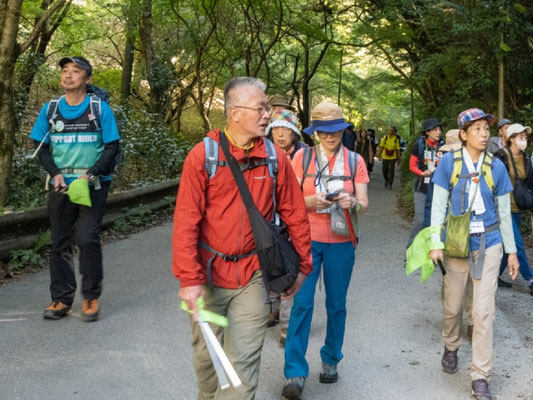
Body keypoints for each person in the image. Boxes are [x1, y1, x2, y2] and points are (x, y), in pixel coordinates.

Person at [173, 77, 312, 400]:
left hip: (253, 275)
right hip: (208, 276)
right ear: (235, 113)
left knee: (242, 369)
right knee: (208, 367)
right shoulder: (202, 156)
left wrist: (303, 265)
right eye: (262, 108)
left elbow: (295, 214)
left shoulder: (275, 158)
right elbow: (185, 222)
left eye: (269, 108)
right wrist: (189, 279)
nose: (269, 115)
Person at [429, 108, 519, 400]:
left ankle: (480, 375)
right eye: (477, 129)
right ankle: (451, 344)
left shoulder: (497, 167)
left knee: (483, 312)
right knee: (453, 306)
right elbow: (438, 205)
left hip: (489, 242)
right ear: (464, 135)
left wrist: (512, 252)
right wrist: (435, 242)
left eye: (486, 129)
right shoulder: (448, 163)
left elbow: (505, 214)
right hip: (455, 241)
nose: (483, 134)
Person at [281, 102, 369, 400]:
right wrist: (310, 202)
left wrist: (352, 202)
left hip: (342, 242)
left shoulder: (355, 160)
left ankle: (331, 359)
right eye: (324, 131)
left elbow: (364, 204)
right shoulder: (301, 158)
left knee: (336, 304)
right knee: (302, 303)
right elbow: (288, 200)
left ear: (343, 130)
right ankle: (295, 371)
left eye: (335, 131)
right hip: (305, 241)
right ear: (315, 132)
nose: (330, 137)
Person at [30, 56, 120, 322]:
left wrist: (90, 173)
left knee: (87, 238)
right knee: (59, 243)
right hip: (60, 187)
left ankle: (90, 297)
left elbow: (113, 147)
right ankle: (61, 299)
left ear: (87, 79)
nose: (68, 75)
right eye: (65, 71)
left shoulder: (99, 109)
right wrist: (55, 174)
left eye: (76, 71)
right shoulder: (51, 109)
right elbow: (40, 147)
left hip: (93, 185)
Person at [264, 108, 307, 345]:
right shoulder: (263, 153)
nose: (281, 135)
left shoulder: (304, 156)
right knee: (270, 267)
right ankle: (274, 309)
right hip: (269, 222)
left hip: (293, 223)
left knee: (290, 271)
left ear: (294, 134)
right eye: (276, 130)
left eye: (286, 131)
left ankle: (286, 328)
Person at [494, 123, 533, 295]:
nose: (524, 140)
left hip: (517, 208)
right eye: (520, 137)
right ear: (511, 139)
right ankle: (531, 279)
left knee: (506, 245)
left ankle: (493, 275)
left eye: (525, 137)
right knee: (516, 244)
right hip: (503, 208)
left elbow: (528, 184)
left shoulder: (526, 159)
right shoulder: (500, 157)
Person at [406, 118, 443, 247]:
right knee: (420, 220)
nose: (439, 132)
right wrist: (422, 173)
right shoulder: (419, 145)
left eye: (440, 129)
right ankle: (410, 249)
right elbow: (412, 166)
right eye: (435, 130)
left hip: (439, 189)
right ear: (428, 132)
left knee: (435, 221)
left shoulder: (444, 146)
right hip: (422, 188)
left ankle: (432, 250)